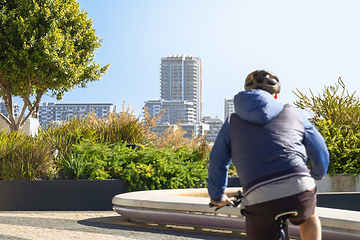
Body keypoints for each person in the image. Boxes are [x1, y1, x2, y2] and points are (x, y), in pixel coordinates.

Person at [207, 70, 329, 240]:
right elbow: (319, 147)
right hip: (299, 188)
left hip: (259, 198)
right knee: (309, 216)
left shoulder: (231, 122)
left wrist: (218, 197)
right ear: (276, 96)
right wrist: (317, 173)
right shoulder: (294, 112)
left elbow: (217, 163)